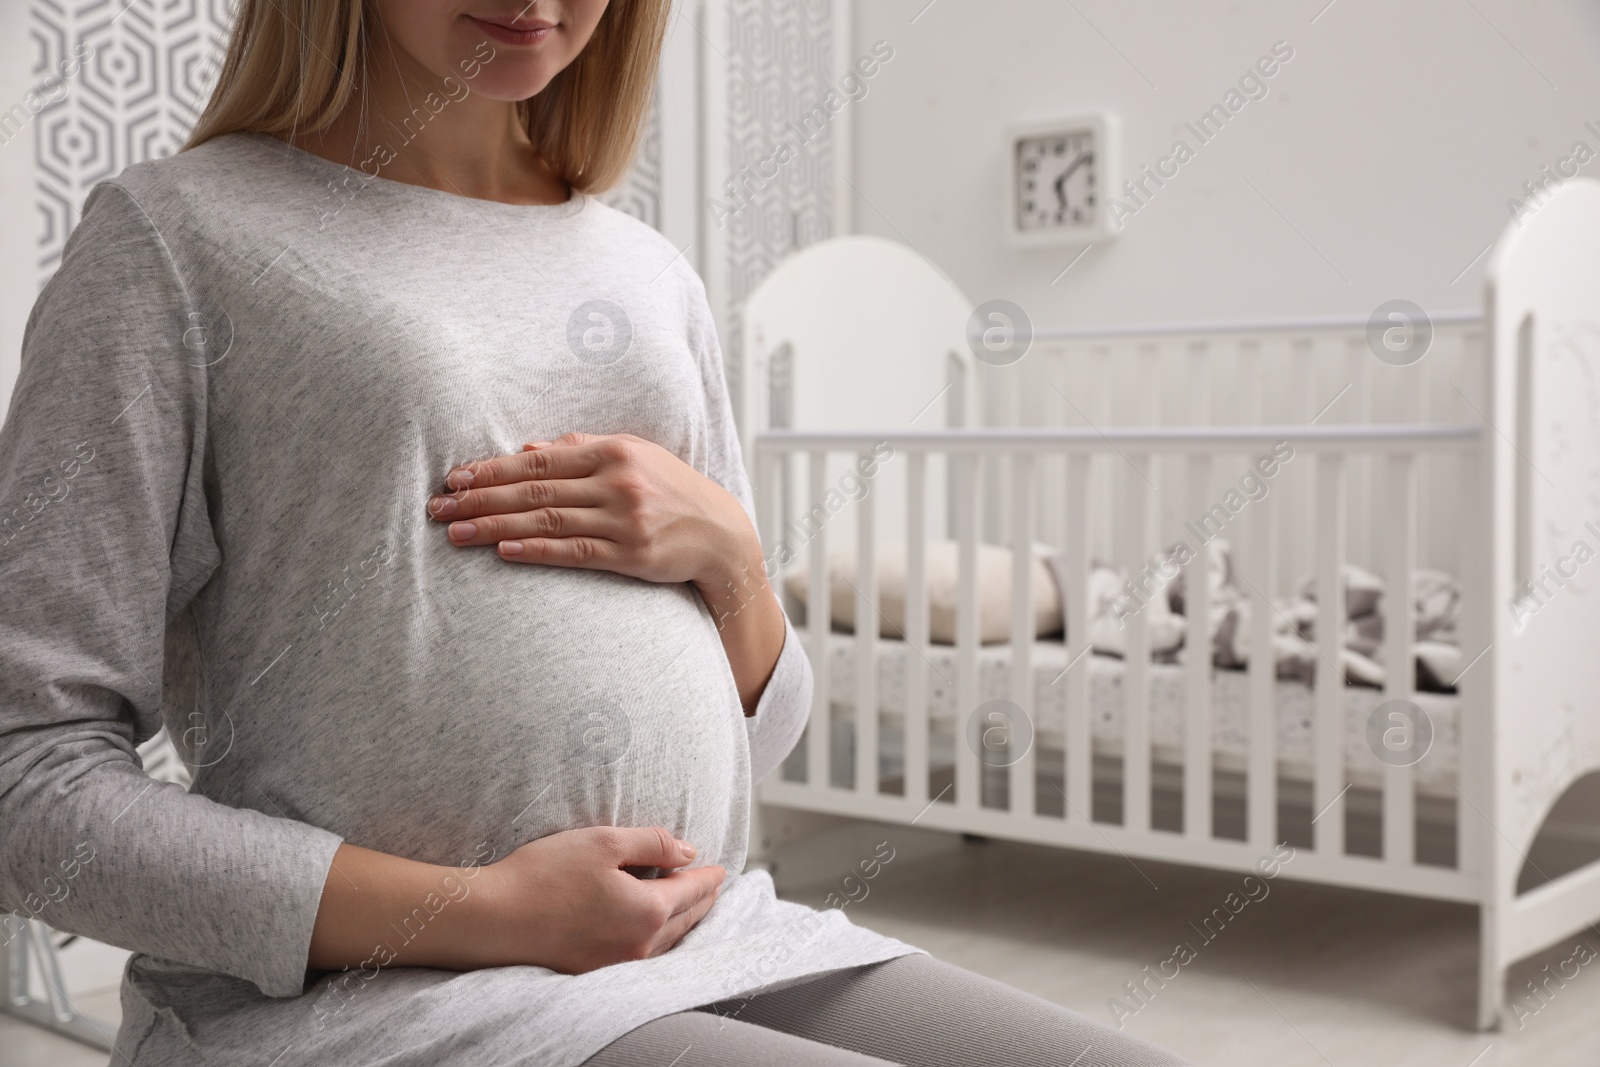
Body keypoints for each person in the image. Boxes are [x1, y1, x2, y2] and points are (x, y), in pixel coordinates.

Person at [0, 1, 1190, 1064]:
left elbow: (758, 736)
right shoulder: (176, 241)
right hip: (370, 999)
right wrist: (488, 911)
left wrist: (731, 557)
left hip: (713, 935)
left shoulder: (643, 269)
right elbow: (26, 787)